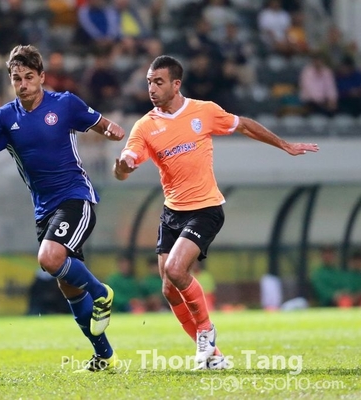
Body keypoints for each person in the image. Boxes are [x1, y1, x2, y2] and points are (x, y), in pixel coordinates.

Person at [113, 55, 319, 370]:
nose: (152, 88)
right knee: (168, 289)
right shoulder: (144, 126)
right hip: (172, 213)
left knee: (177, 271)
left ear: (176, 84)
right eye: (149, 82)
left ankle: (206, 331)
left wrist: (284, 145)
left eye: (159, 82)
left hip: (205, 209)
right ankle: (213, 356)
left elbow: (244, 125)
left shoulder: (204, 111)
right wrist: (122, 167)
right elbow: (125, 166)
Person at [0, 44, 125, 372]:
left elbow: (101, 123)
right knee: (68, 285)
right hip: (44, 211)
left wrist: (111, 130)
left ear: (41, 77)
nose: (23, 84)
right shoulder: (6, 118)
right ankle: (105, 356)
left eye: (29, 77)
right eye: (16, 78)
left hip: (76, 198)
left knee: (49, 259)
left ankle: (101, 292)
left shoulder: (64, 104)